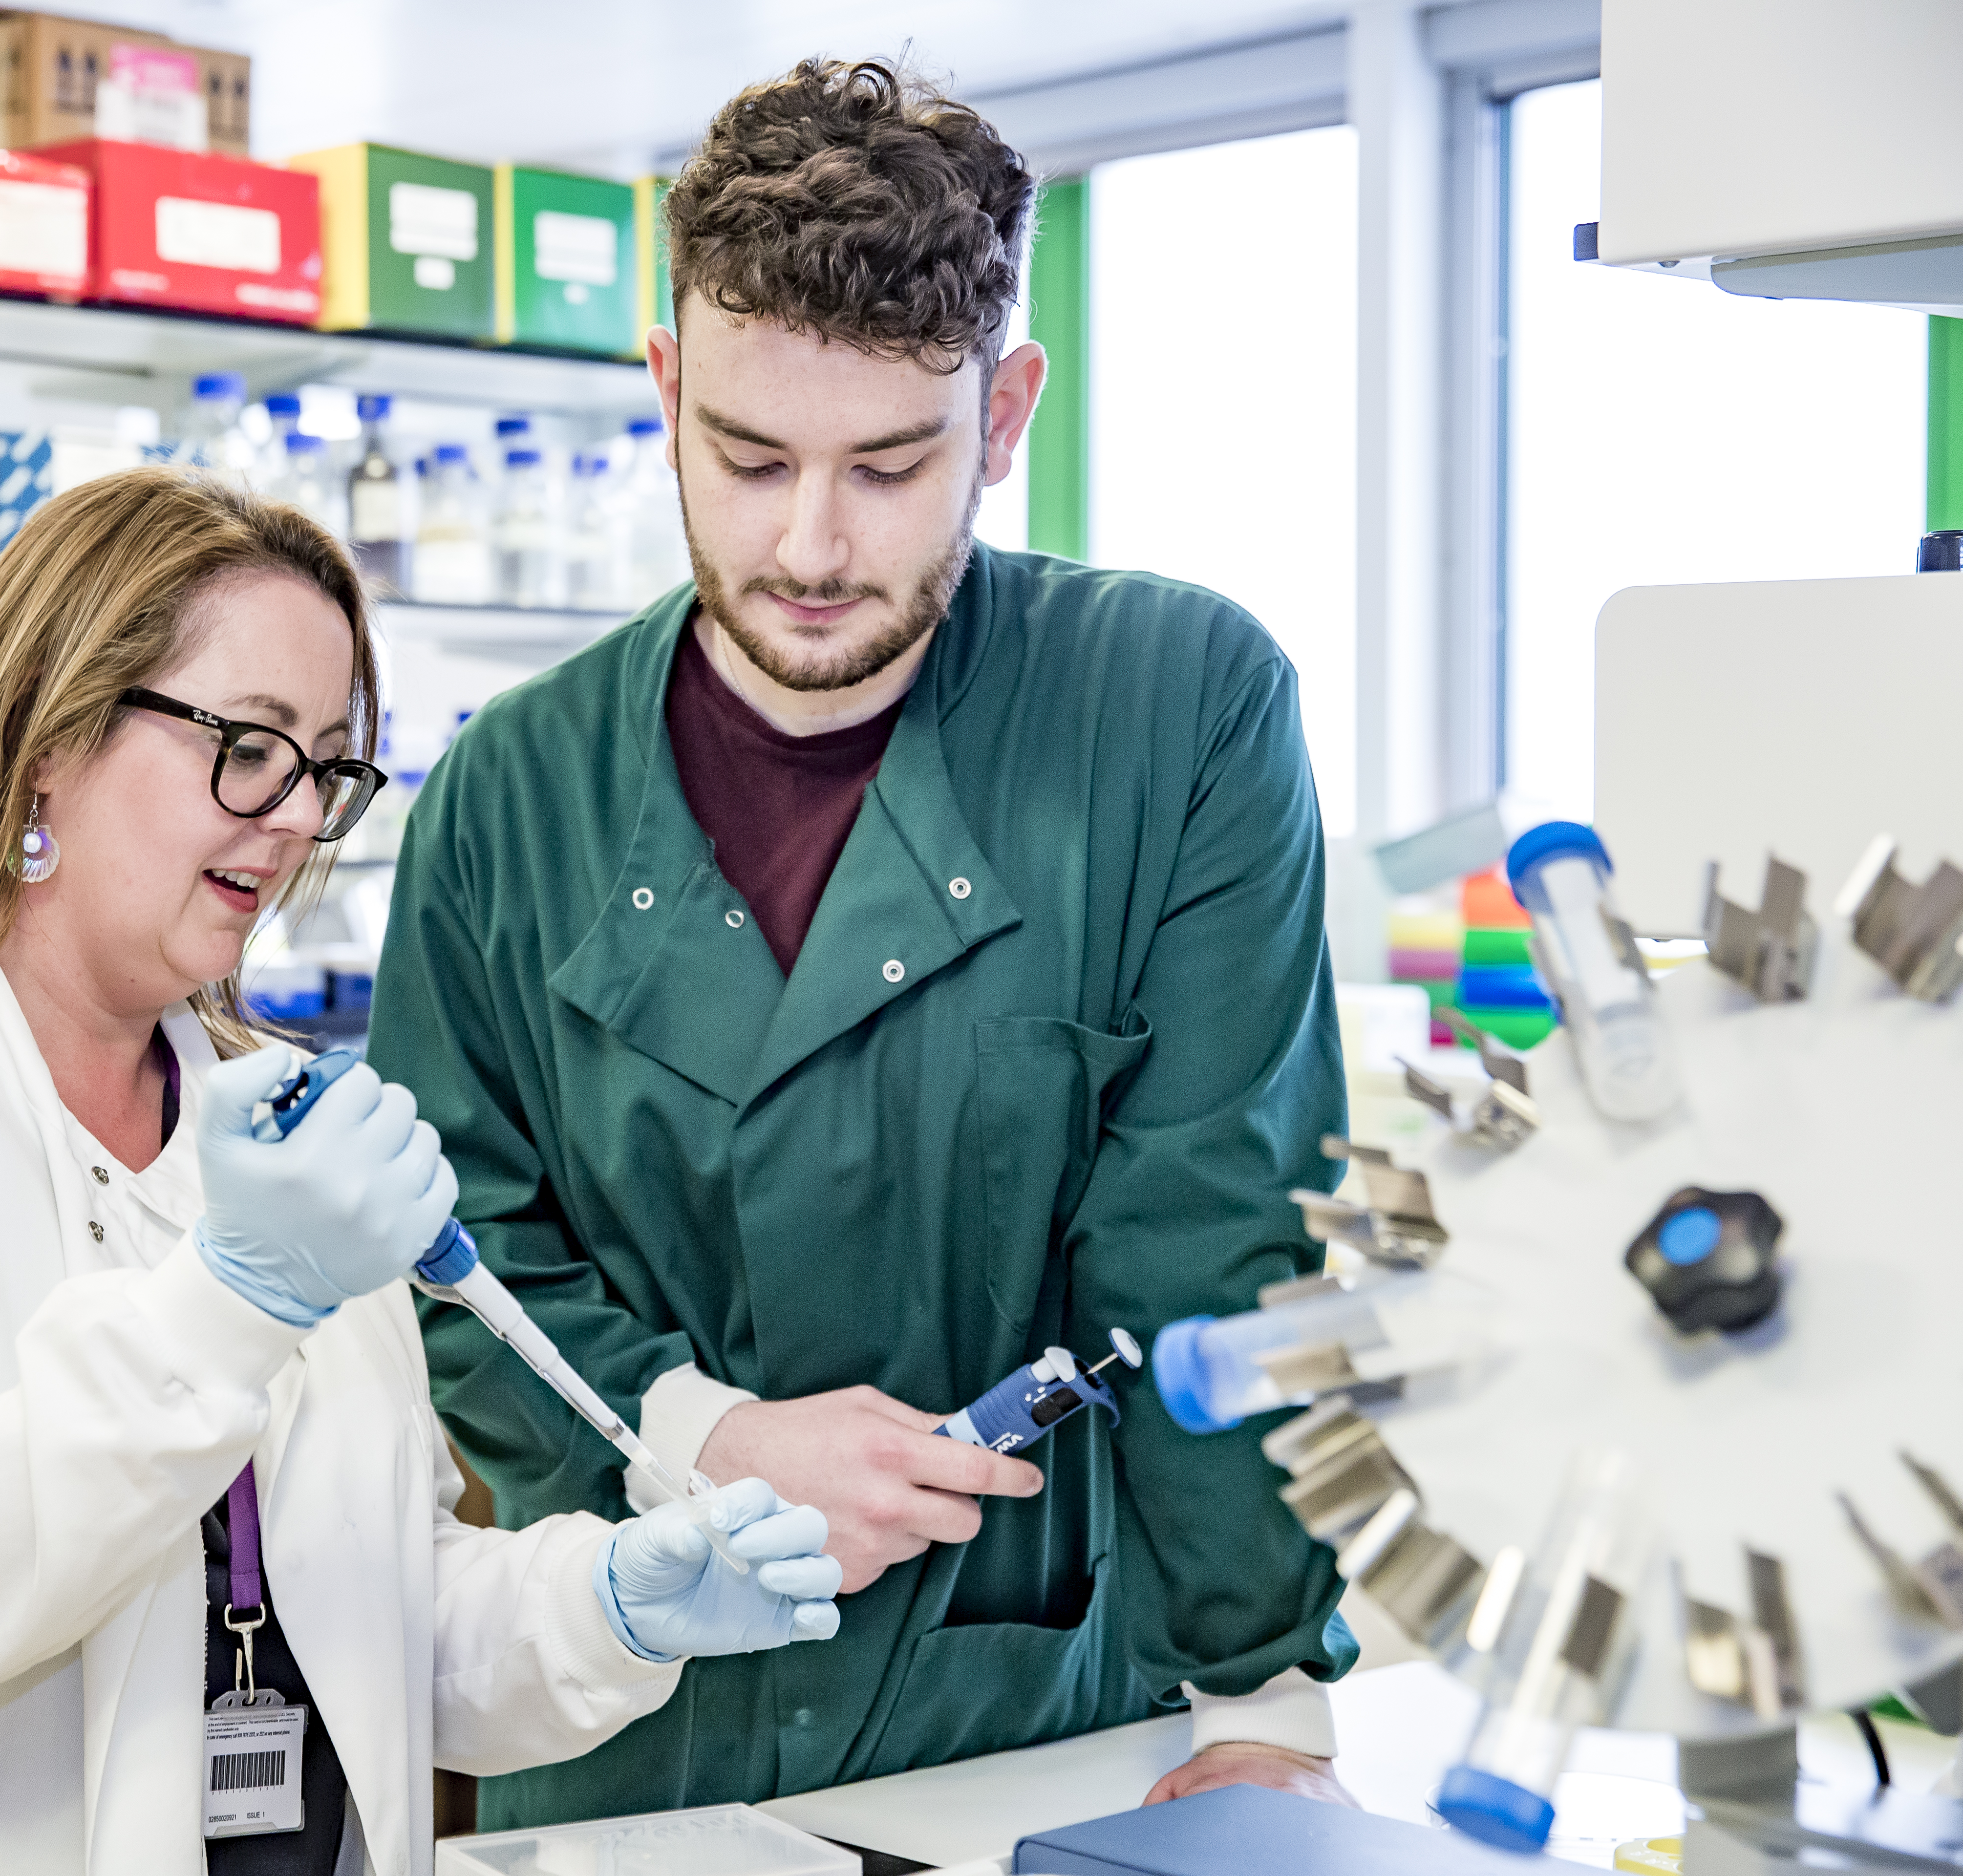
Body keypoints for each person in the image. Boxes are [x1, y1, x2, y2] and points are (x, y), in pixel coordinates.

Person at [0, 469, 841, 1876]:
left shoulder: (267, 1118)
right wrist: (233, 1304)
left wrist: (607, 1609)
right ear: (49, 733)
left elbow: (372, 1617)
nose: (297, 816)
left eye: (327, 768)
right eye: (250, 745)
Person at [365, 59, 1362, 1833]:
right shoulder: (509, 791)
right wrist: (699, 1431)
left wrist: (1269, 1687)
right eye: (745, 458)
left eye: (891, 465)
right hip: (626, 1747)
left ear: (1008, 412)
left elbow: (1217, 1230)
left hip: (1032, 1725)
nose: (808, 546)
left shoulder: (1180, 709)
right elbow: (455, 1254)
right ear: (665, 386)